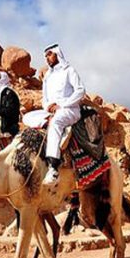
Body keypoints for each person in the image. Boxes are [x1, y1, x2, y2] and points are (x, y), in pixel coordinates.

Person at [23, 43, 85, 185]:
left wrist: (62, 105)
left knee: (56, 122)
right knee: (27, 117)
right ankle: (54, 132)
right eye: (45, 56)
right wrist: (49, 106)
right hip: (51, 111)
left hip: (69, 109)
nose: (47, 58)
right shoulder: (48, 77)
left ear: (57, 54)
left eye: (49, 54)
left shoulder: (69, 70)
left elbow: (80, 90)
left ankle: (53, 167)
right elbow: (44, 98)